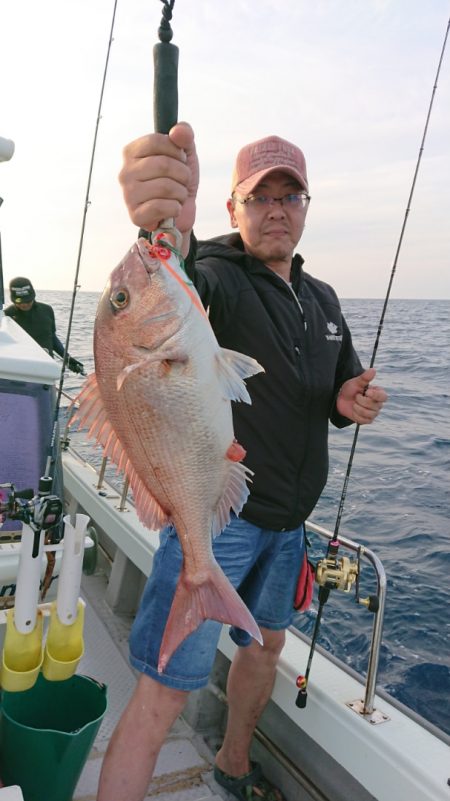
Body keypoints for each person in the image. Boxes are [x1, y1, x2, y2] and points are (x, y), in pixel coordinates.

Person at [97, 123, 388, 801]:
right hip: (216, 523)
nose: (278, 208)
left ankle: (232, 761)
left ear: (307, 207)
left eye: (291, 195)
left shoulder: (323, 302)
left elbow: (331, 393)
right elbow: (178, 278)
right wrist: (167, 227)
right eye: (261, 197)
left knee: (264, 649)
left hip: (291, 526)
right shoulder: (215, 284)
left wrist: (348, 403)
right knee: (163, 691)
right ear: (234, 209)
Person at [4, 276, 85, 374]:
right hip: (19, 370)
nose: (24, 304)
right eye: (19, 301)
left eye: (28, 300)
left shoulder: (47, 310)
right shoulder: (6, 315)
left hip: (46, 368)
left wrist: (67, 359)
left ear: (33, 296)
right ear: (13, 299)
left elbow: (52, 338)